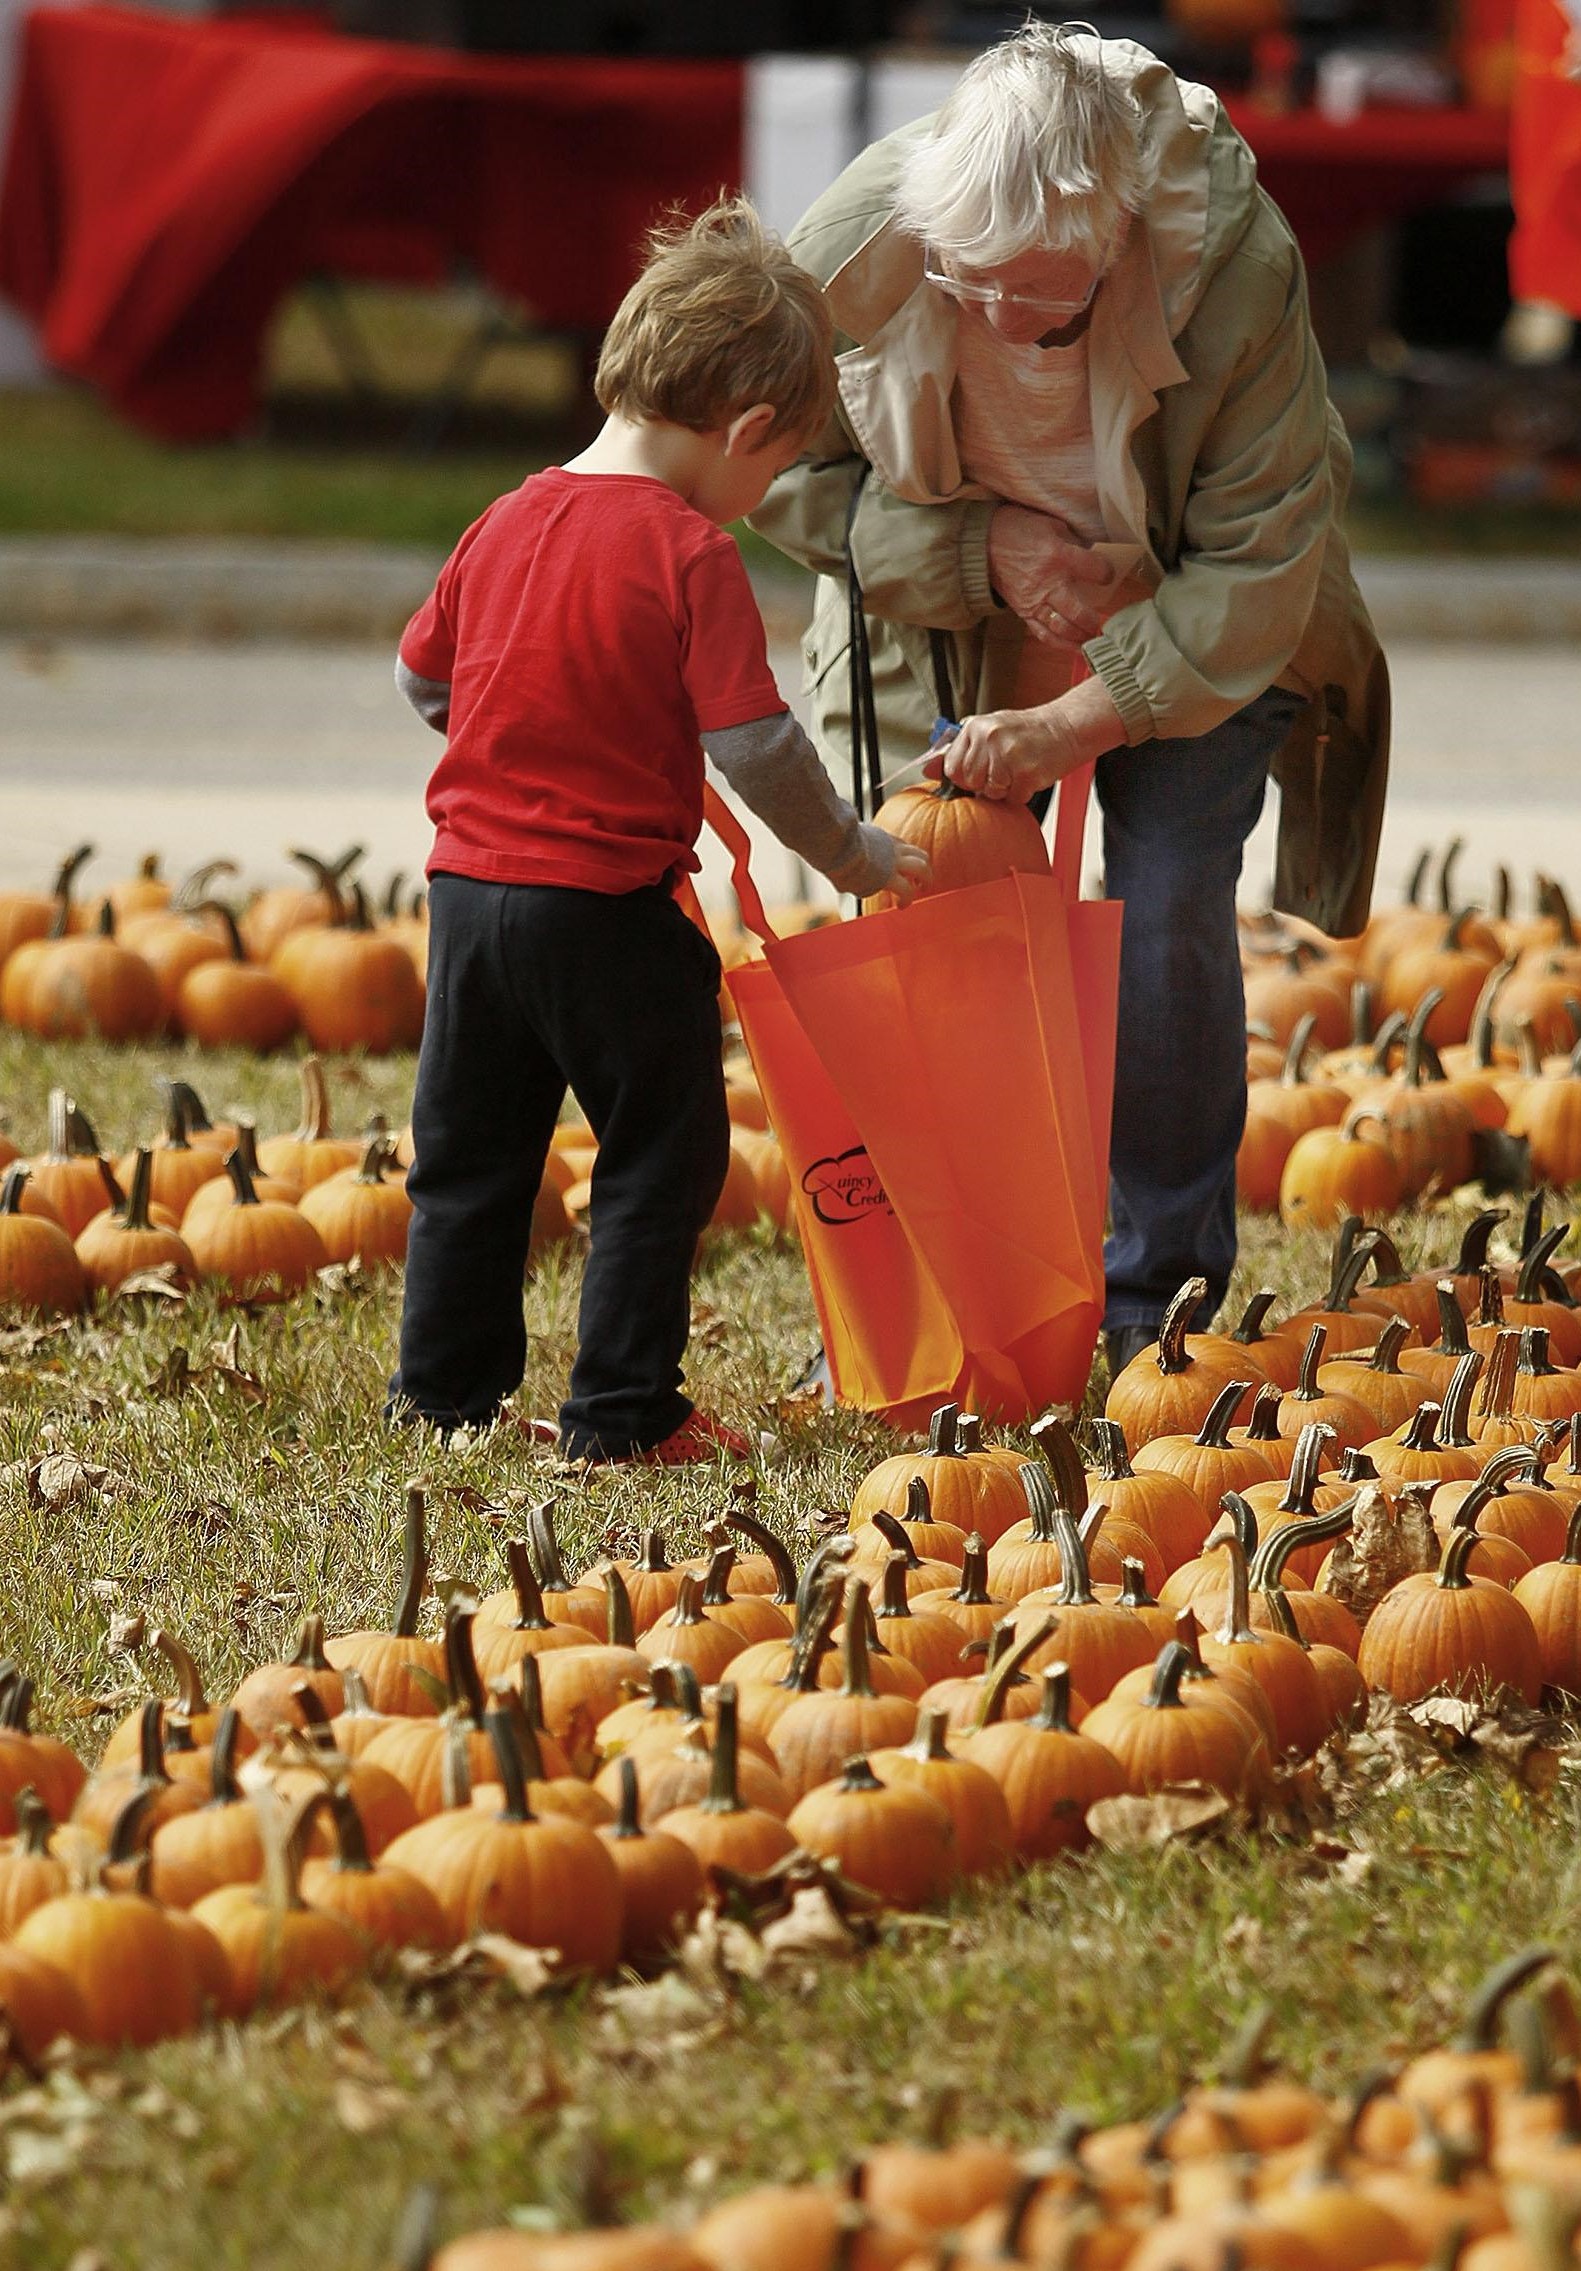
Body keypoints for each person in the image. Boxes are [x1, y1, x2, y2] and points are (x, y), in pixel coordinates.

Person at [750, 21, 1390, 1375]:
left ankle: (1157, 1293)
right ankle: (946, 1276)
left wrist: (1070, 718)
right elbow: (772, 468)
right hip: (943, 628)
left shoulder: (1235, 265)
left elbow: (1262, 557)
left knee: (1159, 911)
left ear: (1118, 243)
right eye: (963, 286)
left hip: (1188, 629)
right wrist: (982, 550)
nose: (992, 324)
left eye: (1036, 309)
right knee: (943, 932)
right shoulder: (866, 235)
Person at [389, 200, 929, 1465]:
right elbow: (755, 748)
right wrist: (850, 852)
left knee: (470, 1159)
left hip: (468, 899)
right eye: (774, 469)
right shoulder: (689, 553)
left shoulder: (508, 516)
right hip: (610, 911)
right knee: (658, 1153)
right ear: (746, 432)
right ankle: (622, 1414)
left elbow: (425, 681)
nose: (759, 497)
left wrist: (527, 735)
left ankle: (445, 1401)